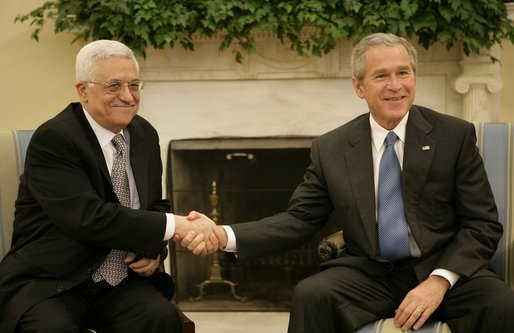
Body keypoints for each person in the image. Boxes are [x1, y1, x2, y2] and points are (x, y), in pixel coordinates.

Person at [182, 33, 514, 332]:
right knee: (311, 295)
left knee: (500, 303)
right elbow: (299, 220)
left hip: (442, 267)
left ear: (415, 77)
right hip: (370, 273)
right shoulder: (332, 148)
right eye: (381, 75)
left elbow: (482, 224)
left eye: (403, 73)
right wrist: (223, 234)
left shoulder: (453, 136)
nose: (395, 85)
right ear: (359, 87)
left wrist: (439, 280)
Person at [0, 39, 220, 333]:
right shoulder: (55, 139)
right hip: (52, 282)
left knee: (160, 318)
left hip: (120, 282)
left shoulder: (143, 133)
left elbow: (155, 205)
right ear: (83, 91)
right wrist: (176, 226)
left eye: (134, 85)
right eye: (114, 86)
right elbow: (89, 218)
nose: (128, 97)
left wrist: (154, 250)